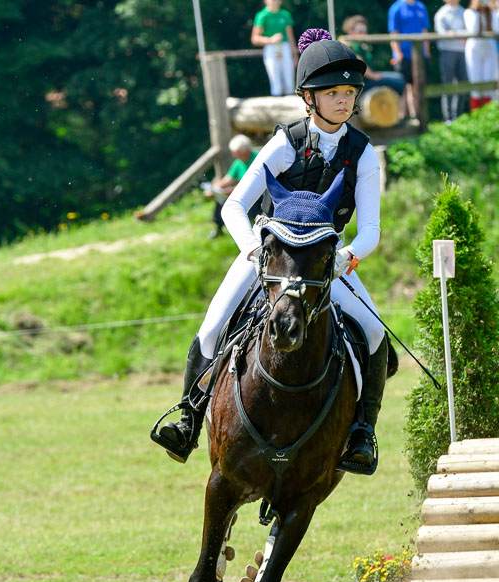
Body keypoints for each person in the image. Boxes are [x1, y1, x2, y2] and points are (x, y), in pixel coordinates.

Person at [153, 28, 388, 475]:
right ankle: (187, 418)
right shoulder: (286, 143)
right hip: (271, 259)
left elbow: (371, 230)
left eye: (349, 92)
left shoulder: (363, 153)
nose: (343, 100)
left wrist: (344, 260)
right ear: (309, 97)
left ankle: (362, 433)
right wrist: (254, 253)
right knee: (212, 327)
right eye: (333, 92)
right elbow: (234, 206)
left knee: (374, 335)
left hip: (324, 264)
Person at [202, 135, 258, 239]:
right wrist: (213, 189)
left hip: (257, 194)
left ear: (246, 150)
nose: (236, 156)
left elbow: (255, 183)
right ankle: (219, 227)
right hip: (242, 192)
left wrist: (230, 190)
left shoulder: (258, 158)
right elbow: (227, 179)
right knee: (221, 201)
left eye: (238, 154)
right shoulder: (239, 162)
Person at [341, 15, 406, 96]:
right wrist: (374, 76)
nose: (364, 33)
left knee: (400, 77)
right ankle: (401, 109)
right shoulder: (350, 45)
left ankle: (401, 108)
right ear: (351, 32)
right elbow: (360, 62)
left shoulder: (362, 45)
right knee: (400, 82)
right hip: (362, 83)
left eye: (365, 30)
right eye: (360, 30)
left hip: (368, 79)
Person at [388, 0, 431, 120]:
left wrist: (426, 53)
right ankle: (401, 117)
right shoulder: (396, 8)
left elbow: (425, 31)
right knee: (402, 86)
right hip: (403, 54)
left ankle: (415, 116)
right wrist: (398, 54)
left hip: (419, 55)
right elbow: (394, 33)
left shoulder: (421, 7)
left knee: (416, 87)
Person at [251, 0, 298, 96]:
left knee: (289, 81)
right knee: (275, 81)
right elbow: (255, 38)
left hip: (285, 47)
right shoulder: (262, 16)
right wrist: (270, 40)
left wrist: (294, 55)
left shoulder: (285, 15)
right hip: (270, 48)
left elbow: (290, 37)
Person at [434, 0, 468, 122]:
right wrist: (459, 35)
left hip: (463, 52)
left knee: (462, 83)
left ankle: (459, 114)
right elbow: (443, 33)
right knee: (448, 84)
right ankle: (448, 117)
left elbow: (469, 31)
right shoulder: (441, 13)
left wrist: (454, 33)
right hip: (447, 51)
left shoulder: (464, 12)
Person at [464, 0, 499, 109]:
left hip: (489, 48)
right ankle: (476, 117)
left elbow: (497, 29)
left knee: (488, 85)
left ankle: (487, 116)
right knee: (476, 85)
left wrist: (493, 10)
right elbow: (473, 29)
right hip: (474, 50)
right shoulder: (469, 12)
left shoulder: (491, 12)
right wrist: (476, 11)